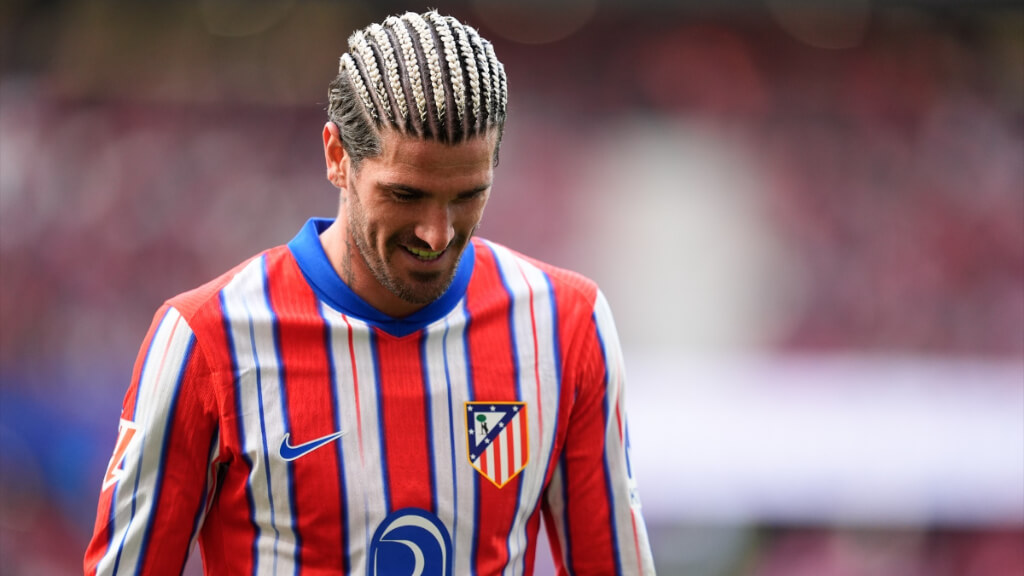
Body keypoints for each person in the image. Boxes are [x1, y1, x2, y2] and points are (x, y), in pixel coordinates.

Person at [84, 10, 655, 575]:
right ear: (337, 157)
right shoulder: (205, 338)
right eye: (405, 195)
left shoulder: (566, 326)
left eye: (467, 195)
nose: (438, 232)